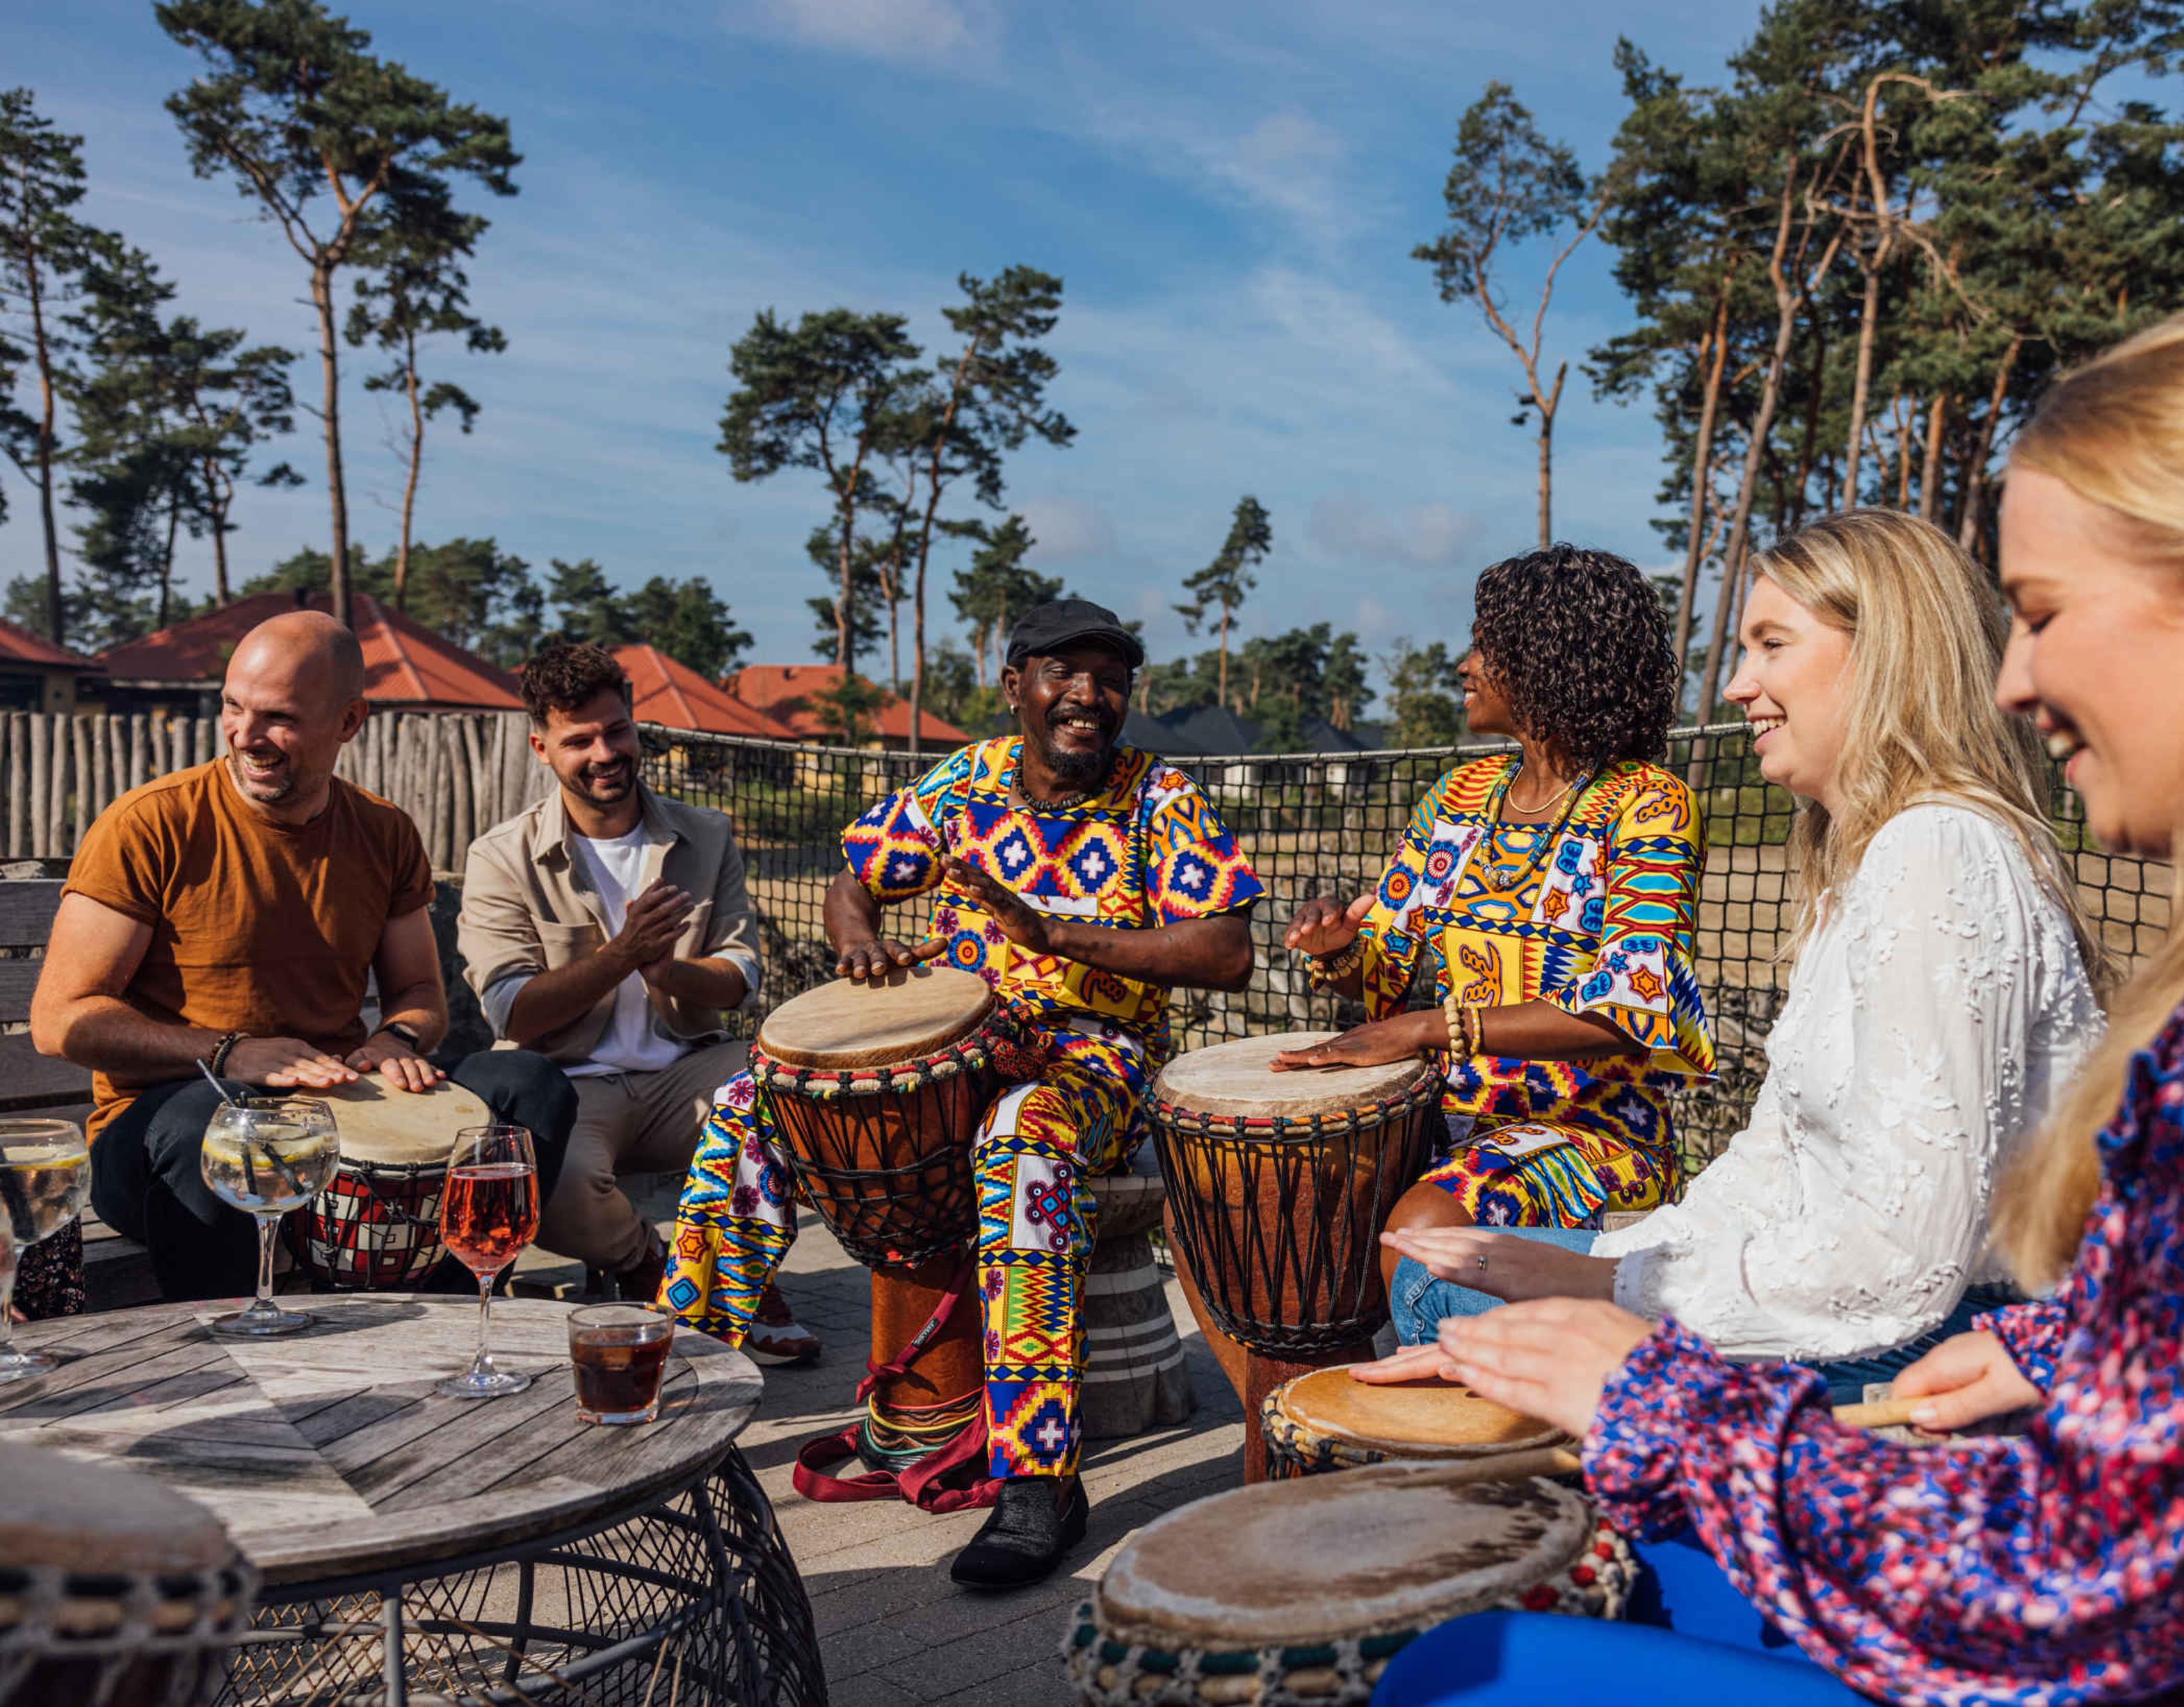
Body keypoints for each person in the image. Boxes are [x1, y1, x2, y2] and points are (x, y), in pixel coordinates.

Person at [1370, 289, 2184, 1704]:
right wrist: (2064, 1341)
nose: (2017, 678)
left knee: (1465, 1670)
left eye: (2043, 614)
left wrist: (1649, 1395)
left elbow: (2079, 1586)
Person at [1367, 511, 2101, 1400]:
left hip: (1955, 1338)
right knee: (1443, 1268)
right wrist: (1621, 1260)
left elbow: (1903, 1264)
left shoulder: (1937, 853)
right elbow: (1776, 1163)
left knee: (1445, 1284)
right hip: (1868, 1299)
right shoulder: (1866, 864)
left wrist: (1610, 1289)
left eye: (1771, 646)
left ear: (1889, 654)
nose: (1736, 685)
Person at [670, 596, 1264, 1591]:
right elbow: (854, 878)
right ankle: (676, 1405)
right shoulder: (961, 784)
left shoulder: (1160, 799)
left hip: (1093, 1054)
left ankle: (1039, 1475)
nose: (1088, 696)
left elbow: (1228, 952)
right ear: (1015, 685)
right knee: (747, 1104)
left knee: (1022, 1140)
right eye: (1064, 673)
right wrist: (858, 940)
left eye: (1110, 678)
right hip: (959, 1043)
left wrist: (1055, 936)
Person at [31, 610, 577, 1304]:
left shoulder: (384, 832)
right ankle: (230, 1345)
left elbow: (419, 992)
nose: (245, 735)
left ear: (349, 721)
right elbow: (59, 1021)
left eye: (278, 718)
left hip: (335, 1118)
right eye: (233, 707)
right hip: (165, 1130)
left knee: (530, 1084)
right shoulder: (151, 824)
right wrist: (229, 1053)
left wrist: (397, 1039)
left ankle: (443, 1310)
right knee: (221, 1123)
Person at [1276, 545, 1710, 1264]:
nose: (1465, 665)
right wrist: (1337, 947)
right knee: (1260, 1191)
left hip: (1594, 1126)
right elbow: (1378, 971)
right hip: (1445, 1109)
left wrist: (1432, 1028)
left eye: (1485, 646)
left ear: (1549, 659)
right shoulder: (1459, 796)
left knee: (1424, 1229)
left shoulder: (1647, 803)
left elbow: (1630, 1008)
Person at [458, 643, 814, 1365]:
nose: (604, 754)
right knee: (545, 1184)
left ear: (634, 725)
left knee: (786, 1100)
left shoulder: (705, 833)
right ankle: (652, 1264)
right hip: (569, 1082)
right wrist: (619, 956)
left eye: (615, 730)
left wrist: (667, 970)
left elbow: (741, 975)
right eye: (579, 740)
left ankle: (741, 1279)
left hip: (686, 1066)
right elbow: (511, 1012)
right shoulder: (500, 856)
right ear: (541, 748)